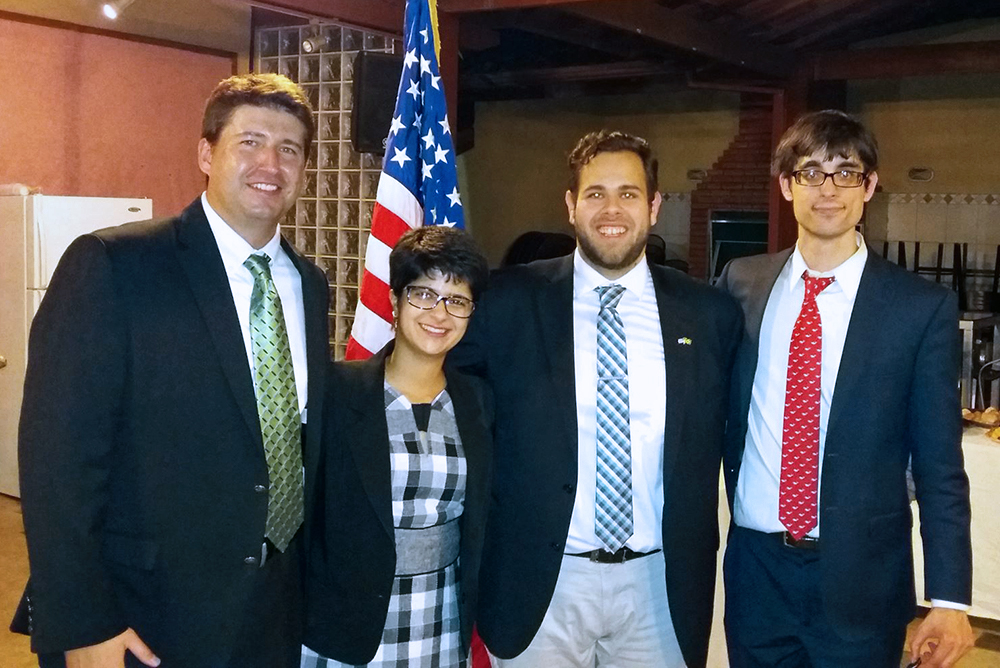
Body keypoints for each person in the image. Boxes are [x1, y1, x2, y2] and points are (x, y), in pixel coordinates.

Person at [16, 73, 328, 668]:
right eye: (250, 141)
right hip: (142, 616)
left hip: (272, 610)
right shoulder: (116, 264)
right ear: (207, 154)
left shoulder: (307, 284)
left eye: (289, 150)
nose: (271, 163)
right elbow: (56, 457)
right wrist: (81, 622)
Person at [452, 130, 743, 668]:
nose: (612, 209)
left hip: (660, 587)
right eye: (596, 193)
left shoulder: (709, 315)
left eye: (629, 193)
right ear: (571, 205)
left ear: (654, 206)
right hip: (542, 583)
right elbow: (442, 392)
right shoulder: (507, 301)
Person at [718, 109, 974, 668]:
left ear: (870, 186)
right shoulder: (742, 284)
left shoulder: (918, 308)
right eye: (810, 172)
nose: (827, 189)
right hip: (757, 572)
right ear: (786, 185)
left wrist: (950, 599)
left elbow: (939, 464)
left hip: (863, 575)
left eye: (846, 172)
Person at [301, 226, 492, 668]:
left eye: (457, 300)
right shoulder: (336, 392)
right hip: (346, 625)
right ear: (394, 301)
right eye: (424, 294)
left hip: (441, 617)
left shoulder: (479, 401)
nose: (439, 313)